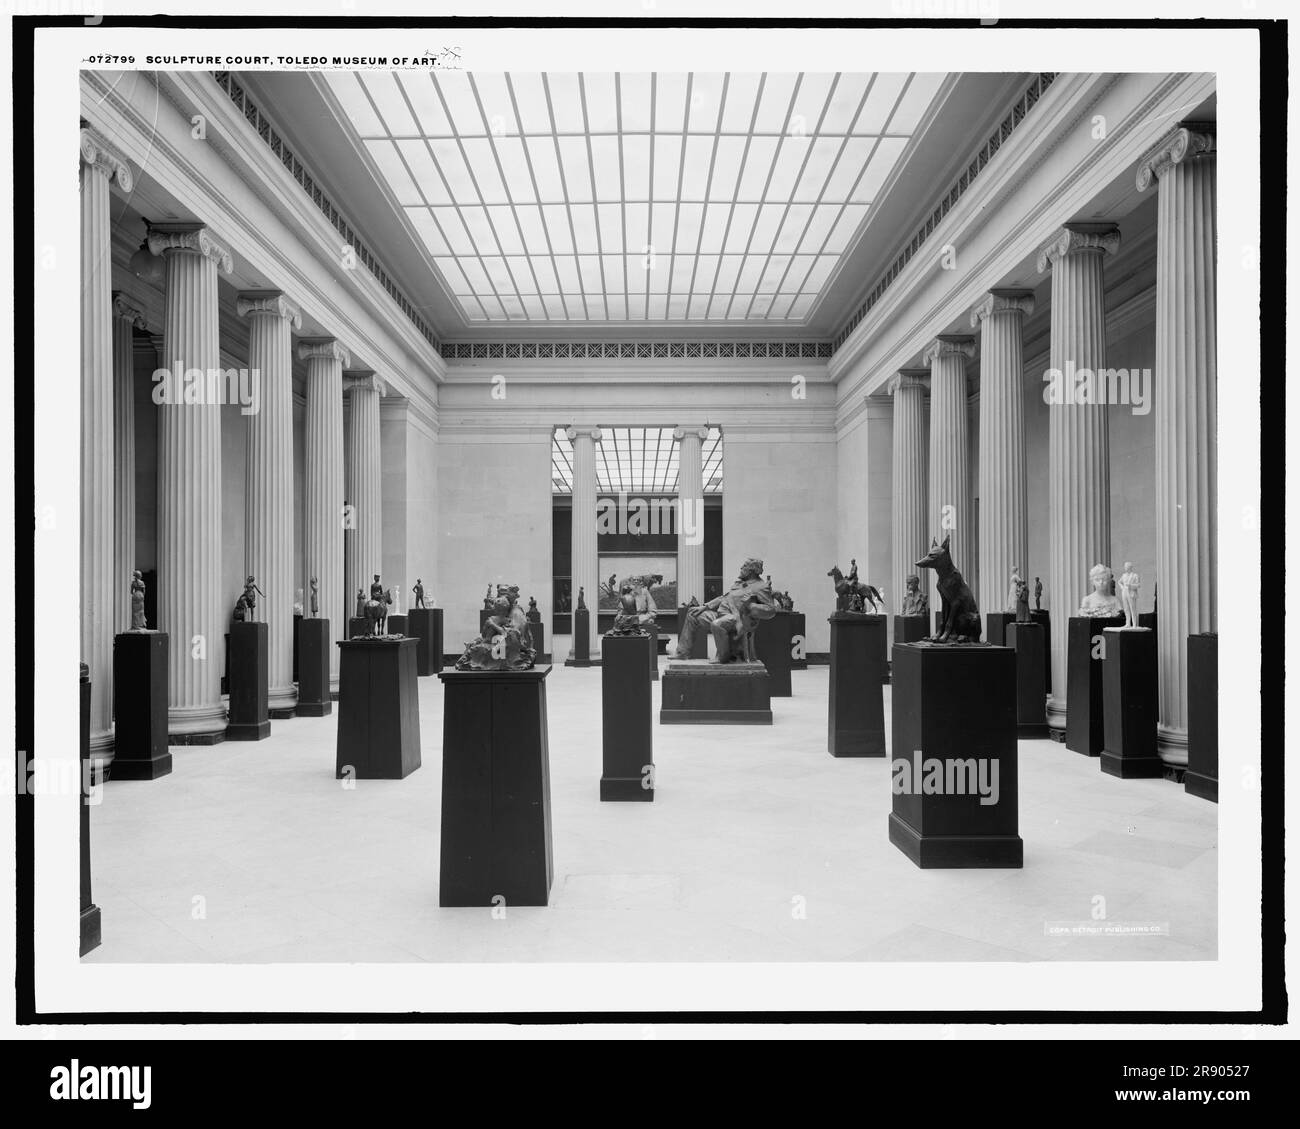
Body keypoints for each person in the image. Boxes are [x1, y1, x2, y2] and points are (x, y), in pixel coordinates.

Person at [678, 557, 776, 664]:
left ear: (751, 571)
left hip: (737, 618)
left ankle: (723, 657)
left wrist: (751, 606)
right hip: (721, 614)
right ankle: (682, 653)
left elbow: (770, 610)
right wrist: (705, 607)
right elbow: (724, 597)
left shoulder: (761, 586)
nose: (741, 568)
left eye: (744, 567)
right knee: (692, 613)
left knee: (717, 624)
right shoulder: (739, 584)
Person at [1118, 562, 1141, 628]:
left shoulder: (1135, 575)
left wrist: (1130, 585)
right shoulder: (1123, 575)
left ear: (1130, 567)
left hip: (1131, 593)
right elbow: (1119, 582)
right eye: (1125, 567)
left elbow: (1138, 585)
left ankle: (1134, 624)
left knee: (1132, 609)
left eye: (1127, 567)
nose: (1125, 568)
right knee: (1126, 608)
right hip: (1124, 592)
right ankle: (1128, 623)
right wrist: (1122, 587)